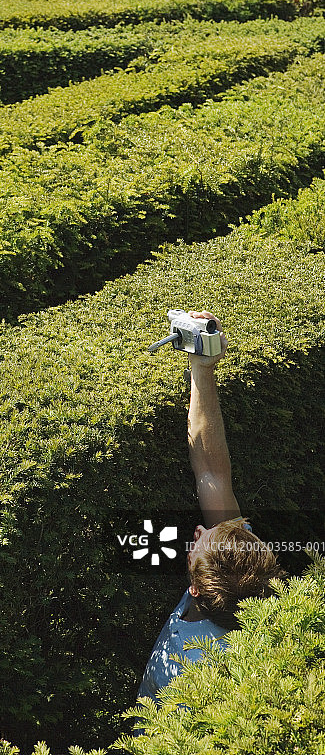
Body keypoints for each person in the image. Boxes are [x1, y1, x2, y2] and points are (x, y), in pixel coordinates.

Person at [134, 310, 287, 728]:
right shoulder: (237, 576)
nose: (199, 530)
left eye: (199, 540)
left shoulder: (195, 678)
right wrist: (203, 369)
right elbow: (212, 472)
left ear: (195, 588)